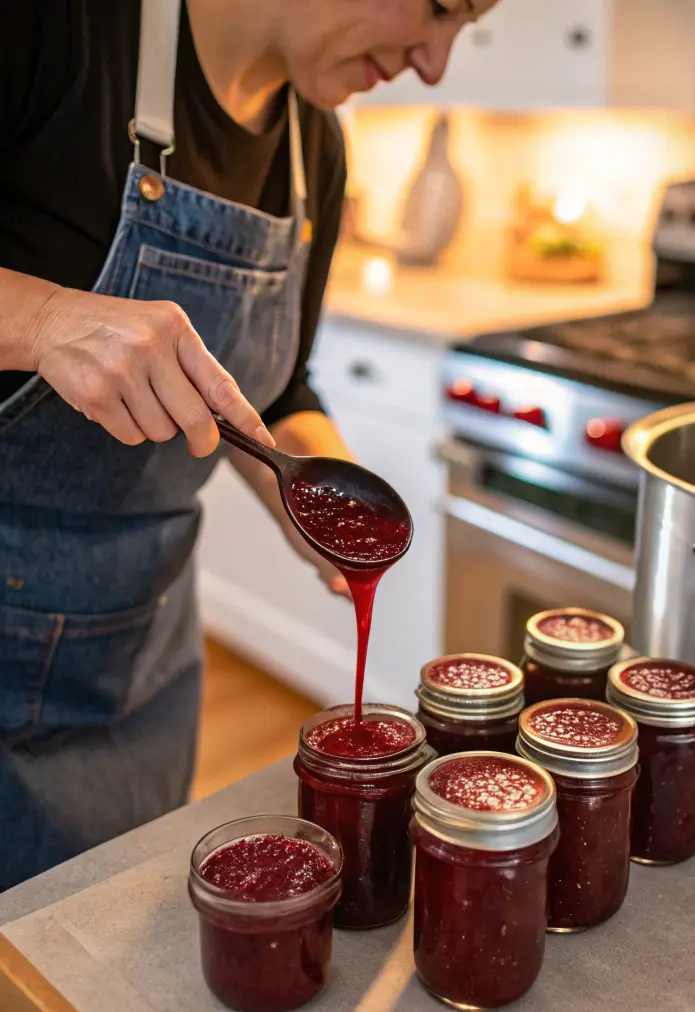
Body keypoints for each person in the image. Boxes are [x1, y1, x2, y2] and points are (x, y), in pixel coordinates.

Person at [0, 0, 497, 891]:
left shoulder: (318, 151)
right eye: (441, 8)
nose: (436, 62)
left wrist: (321, 493)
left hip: (140, 655)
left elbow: (273, 383)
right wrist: (43, 320)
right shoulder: (61, 26)